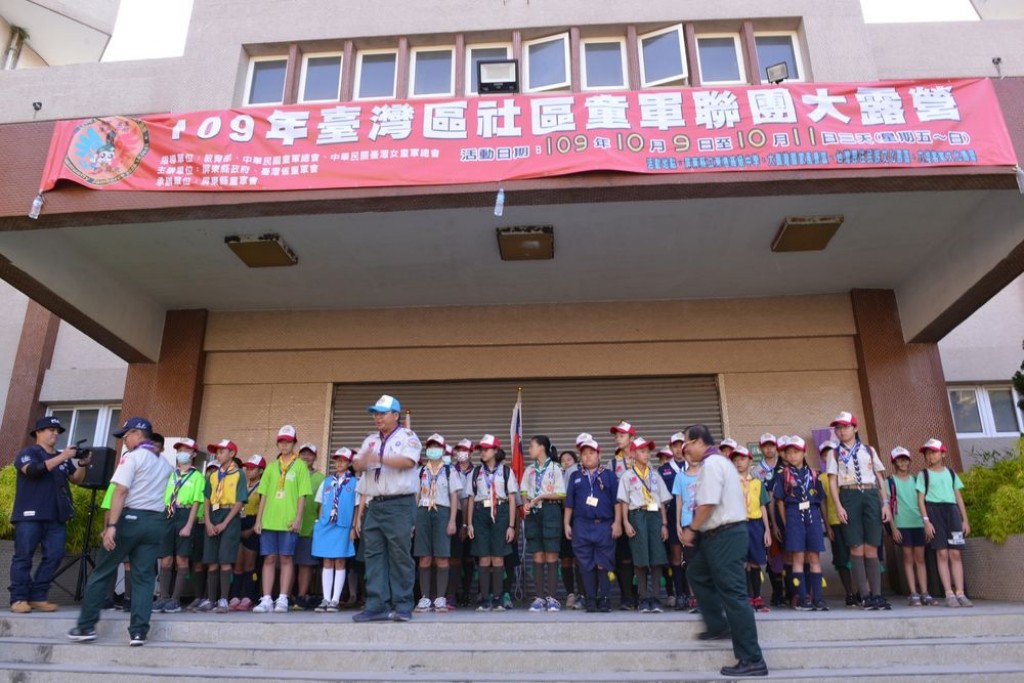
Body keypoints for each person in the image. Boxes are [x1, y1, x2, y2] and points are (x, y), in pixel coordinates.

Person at [68, 417, 172, 646]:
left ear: (137, 434)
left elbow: (120, 492)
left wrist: (111, 527)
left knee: (102, 571)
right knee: (144, 578)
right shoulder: (164, 463)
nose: (124, 441)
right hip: (155, 521)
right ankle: (138, 632)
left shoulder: (132, 457)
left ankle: (86, 626)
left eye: (126, 436)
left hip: (130, 519)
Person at [679, 424, 768, 678]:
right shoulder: (720, 462)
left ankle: (752, 659)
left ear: (697, 442)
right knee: (696, 573)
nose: (686, 450)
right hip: (716, 535)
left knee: (734, 595)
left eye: (686, 445)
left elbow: (707, 503)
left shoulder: (712, 464)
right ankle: (718, 625)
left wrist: (691, 530)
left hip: (725, 535)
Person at [9, 416, 91, 613]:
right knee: (23, 557)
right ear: (38, 432)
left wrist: (81, 464)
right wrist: (63, 456)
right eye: (50, 429)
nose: (55, 433)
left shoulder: (60, 458)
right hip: (30, 516)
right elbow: (33, 471)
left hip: (56, 517)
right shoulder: (28, 453)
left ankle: (38, 596)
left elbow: (76, 480)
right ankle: (18, 598)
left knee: (54, 556)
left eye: (57, 430)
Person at [352, 395, 421, 622]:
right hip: (375, 504)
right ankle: (376, 604)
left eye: (382, 413)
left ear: (395, 415)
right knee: (373, 555)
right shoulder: (370, 439)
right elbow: (358, 464)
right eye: (375, 413)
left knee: (400, 555)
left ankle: (402, 605)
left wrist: (379, 458)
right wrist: (360, 463)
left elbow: (408, 462)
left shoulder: (408, 436)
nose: (377, 417)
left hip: (399, 504)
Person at [825, 412, 892, 611]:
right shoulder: (834, 453)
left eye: (845, 426)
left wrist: (885, 503)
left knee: (872, 546)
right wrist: (838, 505)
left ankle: (877, 595)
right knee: (856, 547)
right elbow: (831, 481)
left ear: (855, 428)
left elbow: (879, 477)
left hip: (870, 495)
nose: (841, 431)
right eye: (838, 428)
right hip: (849, 495)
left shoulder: (868, 450)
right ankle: (864, 595)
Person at [253, 425, 312, 614]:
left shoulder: (300, 466)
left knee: (286, 558)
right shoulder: (271, 467)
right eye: (281, 441)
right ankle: (267, 598)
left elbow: (302, 496)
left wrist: (298, 519)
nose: (284, 444)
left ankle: (283, 598)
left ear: (294, 443)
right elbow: (264, 495)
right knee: (269, 558)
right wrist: (258, 520)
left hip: (288, 521)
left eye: (288, 441)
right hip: (269, 520)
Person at [564, 436, 621, 612]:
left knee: (603, 563)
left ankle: (604, 598)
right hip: (581, 525)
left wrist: (617, 522)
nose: (587, 457)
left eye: (591, 453)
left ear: (598, 454)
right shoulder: (575, 476)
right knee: (585, 563)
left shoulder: (609, 475)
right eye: (584, 454)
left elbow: (617, 502)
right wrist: (567, 523)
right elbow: (569, 503)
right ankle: (590, 598)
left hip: (604, 524)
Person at [916, 439, 972, 608]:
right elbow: (920, 500)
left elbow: (958, 497)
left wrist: (965, 520)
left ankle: (960, 592)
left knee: (955, 553)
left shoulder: (951, 473)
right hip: (934, 511)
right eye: (927, 453)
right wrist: (926, 521)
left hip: (951, 512)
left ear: (943, 454)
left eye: (934, 452)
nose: (930, 456)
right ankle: (948, 592)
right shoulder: (923, 475)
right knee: (942, 554)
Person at [618, 437, 671, 613]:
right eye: (642, 451)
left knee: (656, 557)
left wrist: (664, 523)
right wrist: (625, 522)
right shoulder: (628, 476)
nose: (646, 454)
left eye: (648, 451)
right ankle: (643, 598)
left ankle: (655, 598)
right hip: (637, 515)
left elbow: (662, 501)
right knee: (640, 559)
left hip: (655, 516)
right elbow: (624, 501)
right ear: (633, 454)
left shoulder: (655, 475)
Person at [773, 436, 827, 611]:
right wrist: (787, 521)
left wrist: (826, 524)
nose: (792, 455)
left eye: (796, 451)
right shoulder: (783, 475)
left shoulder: (814, 474)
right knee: (797, 557)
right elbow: (780, 500)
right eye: (788, 452)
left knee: (814, 557)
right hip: (794, 513)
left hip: (812, 514)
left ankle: (818, 597)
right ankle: (802, 597)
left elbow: (821, 500)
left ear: (804, 452)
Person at [466, 434, 518, 612]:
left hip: (501, 511)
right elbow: (471, 499)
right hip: (481, 512)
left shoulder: (506, 471)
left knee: (498, 556)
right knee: (483, 556)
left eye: (486, 449)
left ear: (495, 451)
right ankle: (484, 597)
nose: (483, 452)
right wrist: (469, 524)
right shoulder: (475, 472)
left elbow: (512, 499)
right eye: (481, 449)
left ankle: (498, 597)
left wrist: (511, 525)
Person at [413, 434, 462, 613]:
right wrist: (414, 520)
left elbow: (454, 497)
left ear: (442, 450)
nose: (433, 450)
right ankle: (425, 597)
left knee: (442, 556)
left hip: (442, 512)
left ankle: (441, 597)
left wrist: (452, 521)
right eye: (430, 446)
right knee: (424, 557)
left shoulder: (450, 471)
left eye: (437, 446)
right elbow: (416, 496)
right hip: (423, 512)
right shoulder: (420, 471)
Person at [154, 438, 203, 614]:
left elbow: (197, 502)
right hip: (168, 513)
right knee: (166, 558)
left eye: (187, 449)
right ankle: (162, 597)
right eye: (180, 449)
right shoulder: (171, 473)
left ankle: (175, 599)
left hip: (185, 513)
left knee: (181, 558)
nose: (182, 452)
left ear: (194, 454)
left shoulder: (197, 476)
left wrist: (189, 525)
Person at [200, 439, 247, 613]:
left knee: (225, 560)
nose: (218, 454)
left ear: (232, 453)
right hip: (213, 514)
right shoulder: (212, 475)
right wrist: (208, 522)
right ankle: (211, 599)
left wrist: (224, 523)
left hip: (229, 516)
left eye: (222, 451)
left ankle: (223, 599)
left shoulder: (239, 474)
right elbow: (206, 499)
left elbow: (240, 501)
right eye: (217, 452)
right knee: (211, 561)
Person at [521, 435, 566, 613]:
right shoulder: (530, 470)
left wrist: (540, 497)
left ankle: (553, 598)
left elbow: (561, 494)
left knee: (551, 556)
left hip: (550, 512)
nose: (529, 450)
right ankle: (539, 598)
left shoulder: (555, 468)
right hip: (534, 513)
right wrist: (526, 504)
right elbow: (524, 490)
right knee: (538, 555)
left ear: (541, 448)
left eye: (532, 446)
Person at [312, 448, 358, 612]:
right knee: (327, 560)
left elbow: (357, 506)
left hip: (343, 526)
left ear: (349, 463)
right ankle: (325, 598)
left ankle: (335, 600)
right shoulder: (327, 481)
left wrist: (354, 526)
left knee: (340, 560)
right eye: (337, 460)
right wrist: (320, 522)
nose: (339, 463)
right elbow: (320, 503)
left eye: (343, 460)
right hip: (326, 526)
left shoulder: (354, 483)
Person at [886, 446, 931, 607]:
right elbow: (887, 507)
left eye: (905, 459)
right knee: (907, 558)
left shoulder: (916, 480)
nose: (903, 462)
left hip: (918, 522)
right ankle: (913, 593)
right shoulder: (889, 481)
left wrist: (926, 522)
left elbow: (923, 501)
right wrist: (893, 528)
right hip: (901, 523)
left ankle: (924, 592)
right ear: (894, 462)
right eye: (899, 459)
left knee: (920, 558)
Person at [731, 445, 771, 613]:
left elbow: (763, 507)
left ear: (750, 461)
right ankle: (745, 596)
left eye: (742, 459)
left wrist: (767, 529)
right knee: (742, 561)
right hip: (738, 524)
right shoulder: (731, 483)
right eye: (735, 460)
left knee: (755, 562)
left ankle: (757, 596)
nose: (739, 463)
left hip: (755, 524)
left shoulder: (757, 483)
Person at [818, 441, 856, 607]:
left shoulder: (848, 471)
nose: (829, 457)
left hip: (854, 522)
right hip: (835, 522)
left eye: (831, 453)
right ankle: (849, 593)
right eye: (825, 454)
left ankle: (863, 591)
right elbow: (823, 504)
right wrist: (827, 526)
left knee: (859, 557)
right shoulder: (821, 478)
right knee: (841, 559)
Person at [609, 420, 638, 610]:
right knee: (624, 557)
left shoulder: (642, 458)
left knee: (640, 557)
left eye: (622, 435)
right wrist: (618, 521)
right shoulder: (612, 463)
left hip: (640, 513)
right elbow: (612, 495)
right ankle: (626, 597)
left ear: (631, 438)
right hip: (620, 513)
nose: (618, 439)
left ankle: (642, 596)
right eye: (616, 436)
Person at [754, 433, 786, 607]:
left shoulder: (785, 466)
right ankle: (777, 593)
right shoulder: (755, 471)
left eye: (771, 445)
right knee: (773, 556)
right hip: (764, 518)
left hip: (785, 516)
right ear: (760, 449)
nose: (769, 449)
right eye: (765, 446)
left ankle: (792, 591)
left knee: (788, 553)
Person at [230, 454, 265, 611]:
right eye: (247, 468)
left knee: (250, 564)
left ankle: (248, 596)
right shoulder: (241, 485)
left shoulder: (262, 487)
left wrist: (251, 529)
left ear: (261, 470)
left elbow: (263, 511)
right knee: (238, 564)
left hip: (253, 524)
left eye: (252, 468)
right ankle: (235, 595)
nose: (248, 471)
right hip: (239, 522)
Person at [672, 433, 702, 613]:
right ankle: (695, 598)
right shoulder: (680, 477)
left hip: (706, 525)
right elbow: (679, 502)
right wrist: (677, 524)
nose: (691, 457)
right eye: (687, 454)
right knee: (691, 563)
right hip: (687, 523)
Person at [659, 432, 687, 609]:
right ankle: (680, 594)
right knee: (675, 557)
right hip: (671, 515)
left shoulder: (695, 466)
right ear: (671, 448)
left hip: (691, 515)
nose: (679, 449)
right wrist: (664, 523)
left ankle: (693, 594)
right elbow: (661, 499)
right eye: (675, 446)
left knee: (693, 557)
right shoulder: (663, 470)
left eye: (681, 445)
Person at [294, 443, 325, 610]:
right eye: (303, 454)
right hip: (287, 526)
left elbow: (322, 505)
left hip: (308, 527)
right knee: (289, 562)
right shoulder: (292, 475)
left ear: (315, 457)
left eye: (310, 454)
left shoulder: (320, 478)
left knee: (305, 564)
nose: (306, 457)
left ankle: (301, 596)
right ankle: (286, 595)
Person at [451, 439, 476, 607]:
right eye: (459, 450)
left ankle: (468, 592)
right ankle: (454, 592)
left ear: (471, 453)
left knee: (470, 557)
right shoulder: (450, 471)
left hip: (475, 517)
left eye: (465, 450)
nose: (461, 453)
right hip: (457, 515)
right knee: (455, 557)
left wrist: (469, 524)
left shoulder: (478, 472)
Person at [558, 448, 583, 610]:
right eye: (563, 460)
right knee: (566, 557)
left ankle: (582, 593)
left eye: (569, 459)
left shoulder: (579, 473)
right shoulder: (558, 475)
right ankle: (570, 594)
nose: (566, 461)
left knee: (579, 557)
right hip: (562, 518)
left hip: (579, 519)